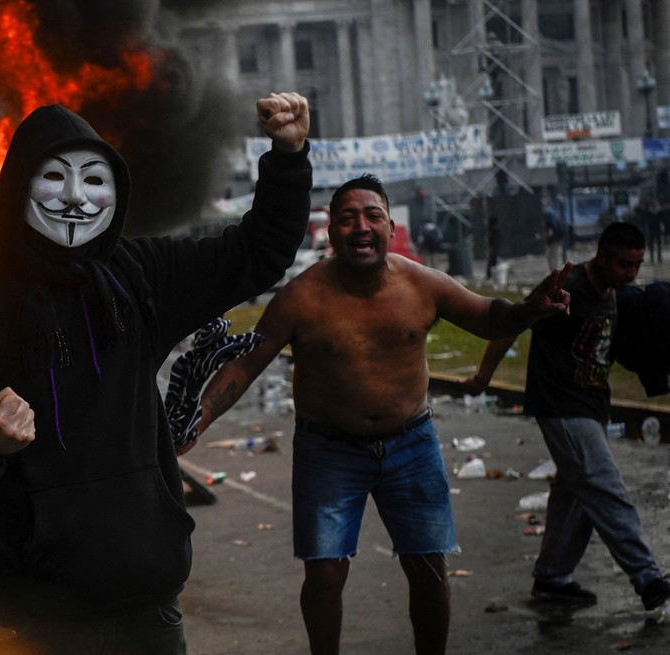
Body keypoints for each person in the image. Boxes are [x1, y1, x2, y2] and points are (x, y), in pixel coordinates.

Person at [0, 93, 313, 654]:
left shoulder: (139, 277)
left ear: (115, 193)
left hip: (145, 618)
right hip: (25, 624)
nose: (74, 198)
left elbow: (256, 253)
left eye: (93, 180)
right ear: (18, 185)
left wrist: (287, 158)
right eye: (53, 177)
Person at [195, 173, 572, 655]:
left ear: (390, 227)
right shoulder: (301, 297)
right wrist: (197, 420)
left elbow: (489, 317)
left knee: (428, 566)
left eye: (372, 215)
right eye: (348, 218)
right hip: (327, 448)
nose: (361, 227)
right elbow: (245, 365)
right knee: (326, 570)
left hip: (410, 442)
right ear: (331, 232)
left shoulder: (422, 284)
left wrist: (530, 310)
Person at [461, 222, 670, 613]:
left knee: (575, 494)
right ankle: (648, 578)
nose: (632, 274)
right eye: (625, 264)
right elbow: (512, 324)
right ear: (602, 256)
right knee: (604, 487)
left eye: (637, 265)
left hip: (591, 405)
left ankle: (552, 578)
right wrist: (483, 377)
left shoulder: (611, 292)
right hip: (561, 405)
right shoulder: (568, 286)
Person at [542, 198, 564, 271]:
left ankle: (555, 271)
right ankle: (555, 270)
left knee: (552, 257)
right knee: (553, 256)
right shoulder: (552, 213)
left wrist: (548, 237)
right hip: (556, 239)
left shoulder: (548, 214)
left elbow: (550, 230)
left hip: (553, 240)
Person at [485, 214, 501, 282]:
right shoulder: (494, 230)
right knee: (493, 263)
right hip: (494, 249)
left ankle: (490, 276)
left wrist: (492, 249)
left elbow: (495, 241)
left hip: (494, 249)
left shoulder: (494, 230)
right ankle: (491, 276)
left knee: (492, 263)